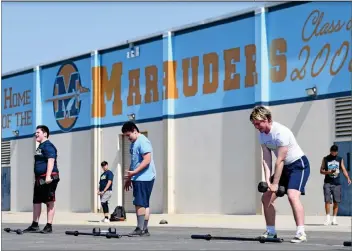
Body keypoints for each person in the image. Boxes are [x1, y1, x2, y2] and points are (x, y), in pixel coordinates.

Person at [250, 106, 310, 243]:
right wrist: (267, 182)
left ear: (268, 119)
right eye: (254, 124)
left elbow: (280, 160)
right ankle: (271, 231)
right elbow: (266, 158)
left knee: (292, 195)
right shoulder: (262, 135)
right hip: (283, 167)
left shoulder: (280, 132)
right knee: (266, 199)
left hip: (297, 165)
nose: (256, 126)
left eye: (258, 123)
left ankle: (301, 232)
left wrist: (276, 184)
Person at [122, 121, 156, 237]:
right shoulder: (134, 143)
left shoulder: (143, 141)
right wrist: (129, 178)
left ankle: (139, 228)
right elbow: (134, 162)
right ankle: (144, 229)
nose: (127, 138)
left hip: (143, 177)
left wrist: (135, 172)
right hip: (140, 177)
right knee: (144, 204)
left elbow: (147, 160)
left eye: (128, 135)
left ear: (134, 131)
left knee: (139, 203)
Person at [24, 125, 60, 234]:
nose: (36, 134)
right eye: (35, 133)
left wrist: (48, 176)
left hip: (48, 177)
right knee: (37, 200)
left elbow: (51, 160)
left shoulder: (48, 145)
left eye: (38, 132)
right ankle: (35, 225)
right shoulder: (40, 146)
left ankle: (49, 226)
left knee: (49, 201)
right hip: (40, 178)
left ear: (45, 134)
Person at [320, 144, 351, 226]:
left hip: (337, 183)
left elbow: (343, 169)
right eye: (333, 151)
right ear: (330, 151)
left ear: (337, 152)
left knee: (336, 201)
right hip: (327, 182)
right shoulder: (325, 159)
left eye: (335, 152)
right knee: (327, 200)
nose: (334, 153)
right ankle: (327, 219)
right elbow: (321, 170)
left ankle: (334, 219)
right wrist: (328, 172)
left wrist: (348, 177)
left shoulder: (340, 159)